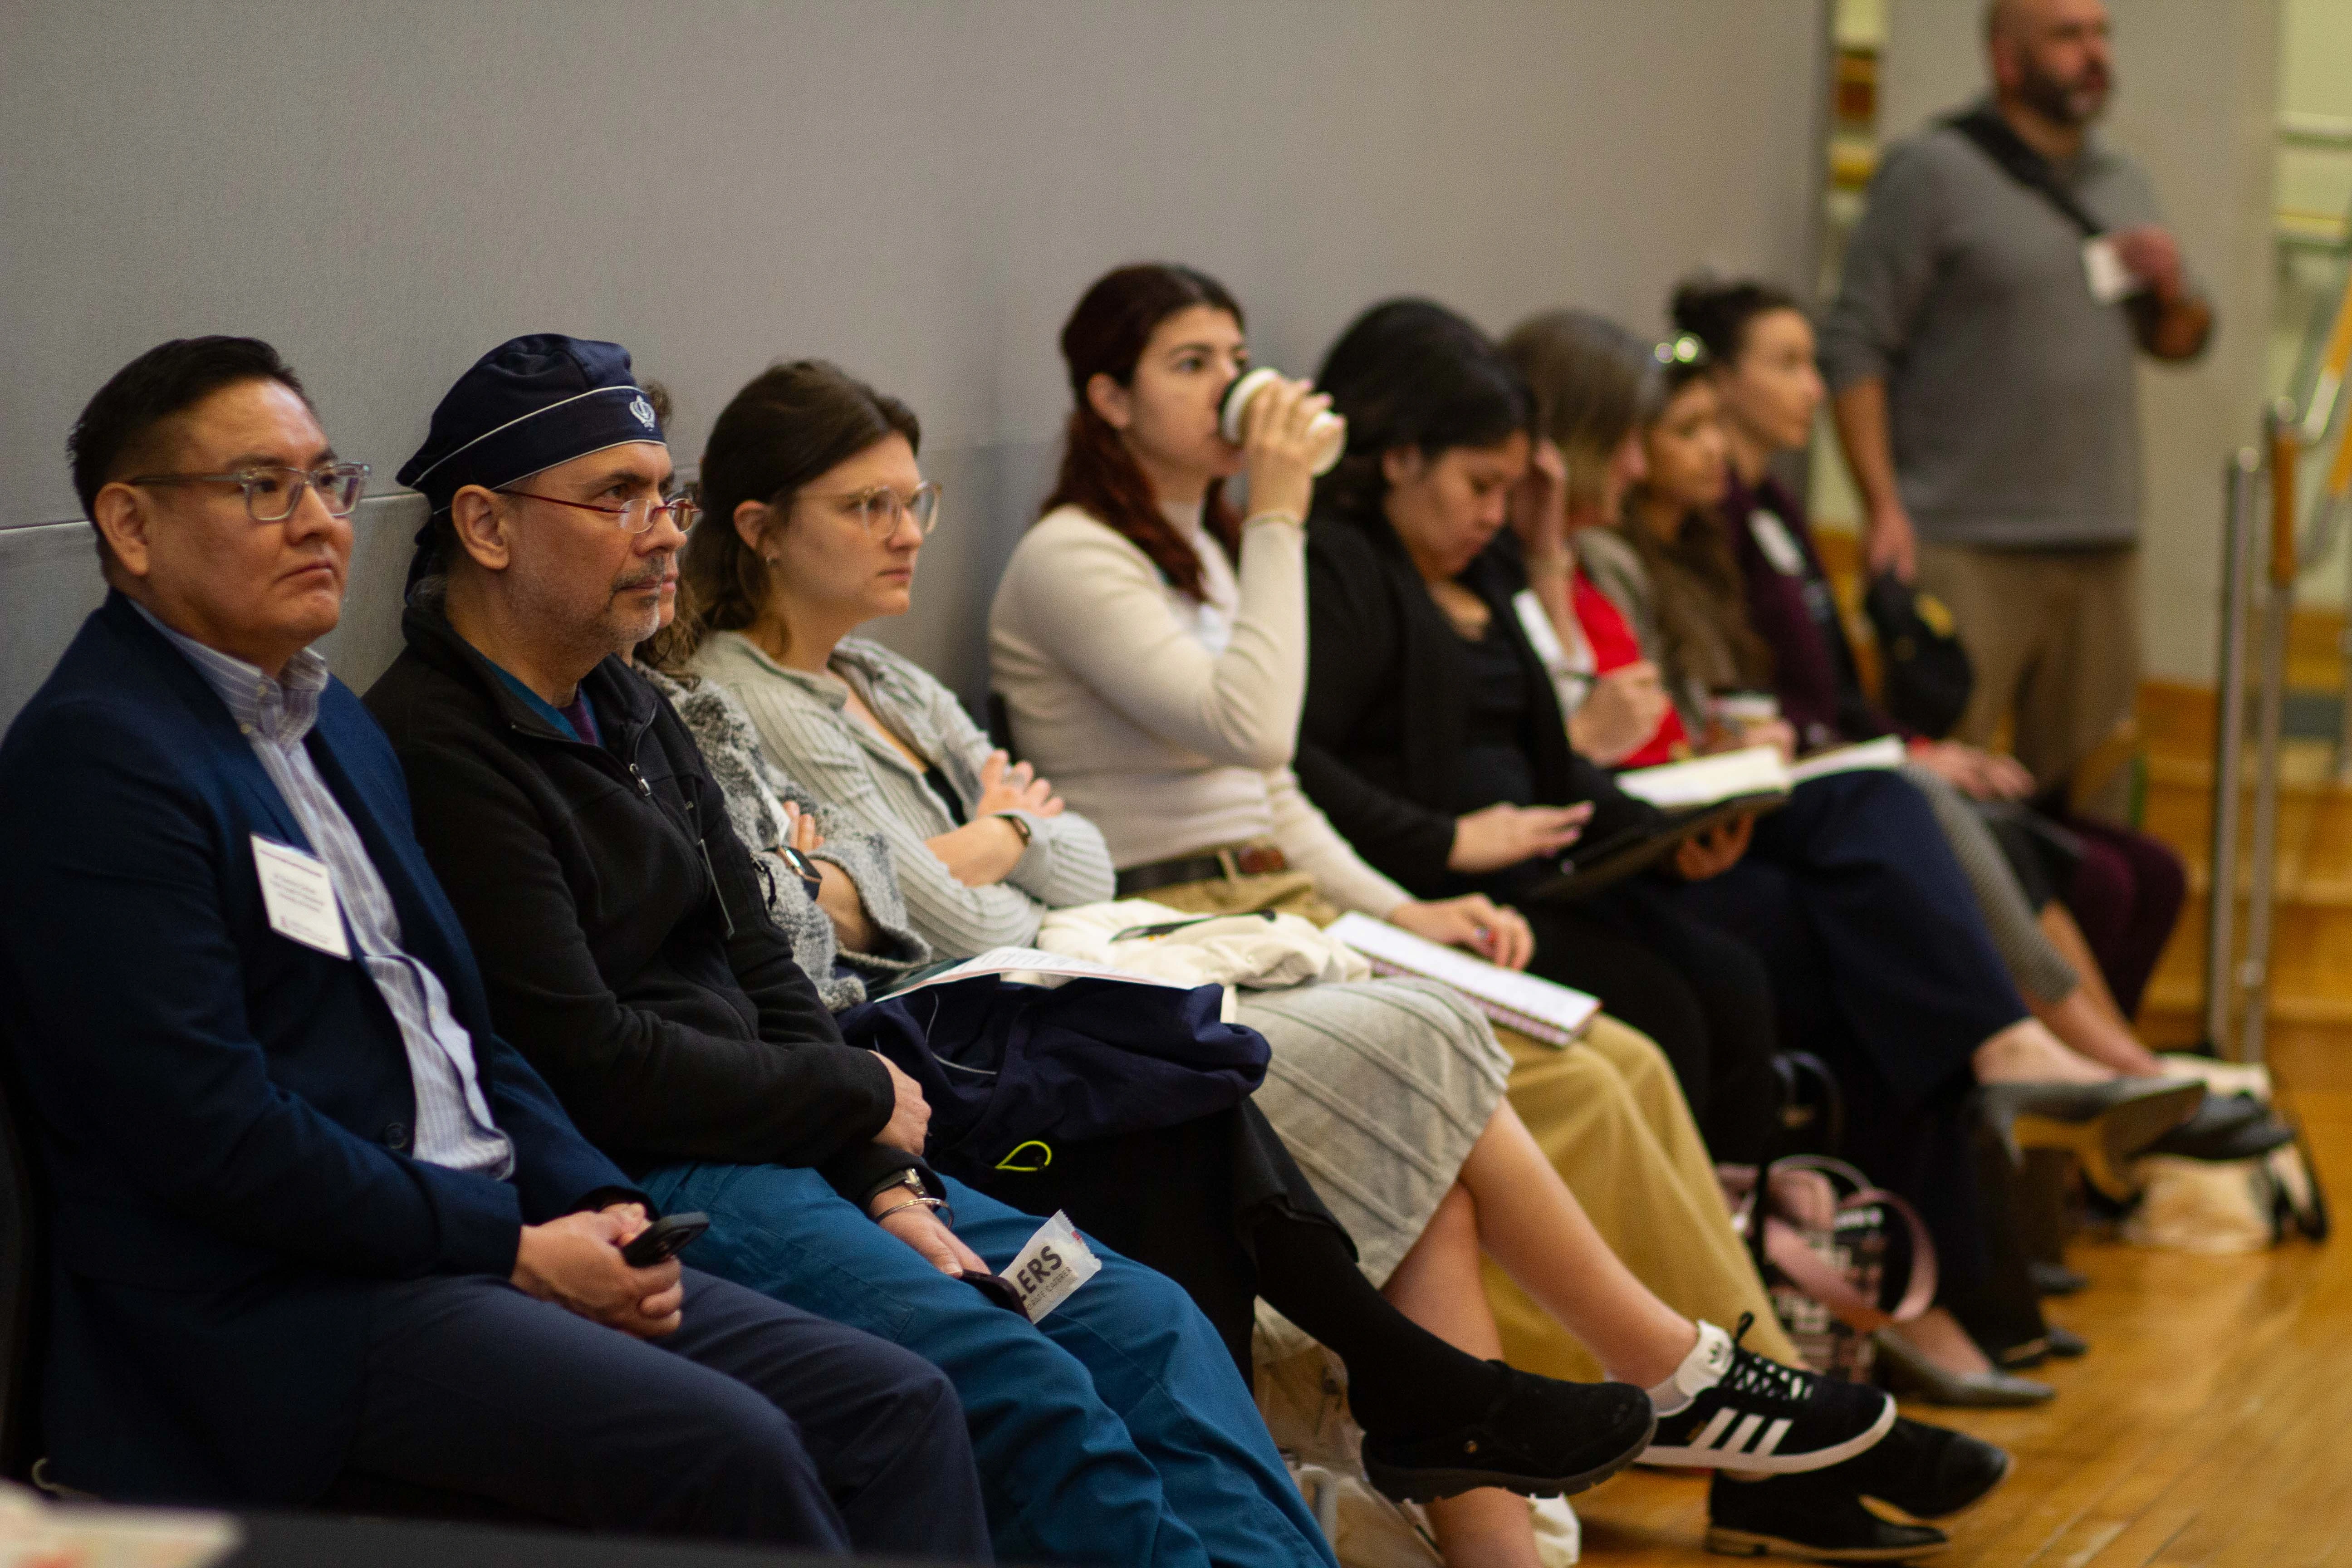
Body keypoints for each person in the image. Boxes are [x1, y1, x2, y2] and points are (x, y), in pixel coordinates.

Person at [668, 344, 2023, 1564]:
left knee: (1519, 1045)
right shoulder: (751, 695)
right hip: (980, 1032)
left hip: (1091, 958)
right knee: (1430, 1034)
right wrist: (998, 843)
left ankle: (1554, 1469)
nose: (908, 532)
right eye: (868, 508)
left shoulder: (889, 679)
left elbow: (1057, 862)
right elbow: (929, 919)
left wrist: (994, 843)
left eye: (917, 502)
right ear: (760, 530)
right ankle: (1674, 1378)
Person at [362, 334, 1381, 1568]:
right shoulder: (438, 747)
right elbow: (587, 1058)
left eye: (665, 495)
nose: (663, 532)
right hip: (678, 1176)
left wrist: (882, 1176)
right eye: (617, 497)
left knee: (1144, 1322)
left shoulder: (633, 700)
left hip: (808, 1146)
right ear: (484, 525)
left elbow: (767, 964)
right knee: (1025, 1382)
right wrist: (850, 1100)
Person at [0, 336, 990, 1554]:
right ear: (132, 526)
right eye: (263, 488)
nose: (317, 523)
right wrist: (514, 1248)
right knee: (732, 1452)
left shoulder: (329, 730)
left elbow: (468, 1035)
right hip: (289, 1308)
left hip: (485, 1232)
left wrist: (601, 1208)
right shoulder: (101, 760)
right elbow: (213, 1134)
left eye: (329, 482)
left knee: (895, 1404)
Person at [1305, 298, 2204, 1403]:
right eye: (1484, 484)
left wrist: (1660, 821)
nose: (1504, 506)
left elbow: (1556, 746)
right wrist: (1469, 829)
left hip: (1581, 847)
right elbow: (1315, 769)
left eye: (1512, 484)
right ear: (1401, 457)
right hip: (1472, 885)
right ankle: (1769, 1332)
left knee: (1882, 838)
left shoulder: (1515, 560)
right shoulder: (1361, 571)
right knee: (1813, 940)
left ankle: (1886, 1284)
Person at [1678, 277, 2195, 1042]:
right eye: (1786, 364)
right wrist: (1900, 758)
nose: (1813, 389)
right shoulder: (1707, 529)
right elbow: (1759, 704)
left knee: (2147, 869)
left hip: (1847, 754)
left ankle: (2104, 1091)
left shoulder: (1778, 511)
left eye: (1813, 364)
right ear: (1721, 381)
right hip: (1803, 777)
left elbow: (1836, 690)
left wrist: (1915, 746)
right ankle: (2098, 1072)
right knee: (2081, 870)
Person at [1820, 0, 2211, 819]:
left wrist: (2173, 291)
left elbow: (2181, 340)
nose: (2093, 54)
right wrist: (1882, 505)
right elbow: (1854, 344)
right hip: (1965, 541)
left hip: (2100, 540)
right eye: (2068, 37)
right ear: (2007, 58)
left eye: (2101, 34)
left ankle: (2067, 950)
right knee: (1942, 799)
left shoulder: (2122, 180)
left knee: (2093, 801)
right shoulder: (1929, 172)